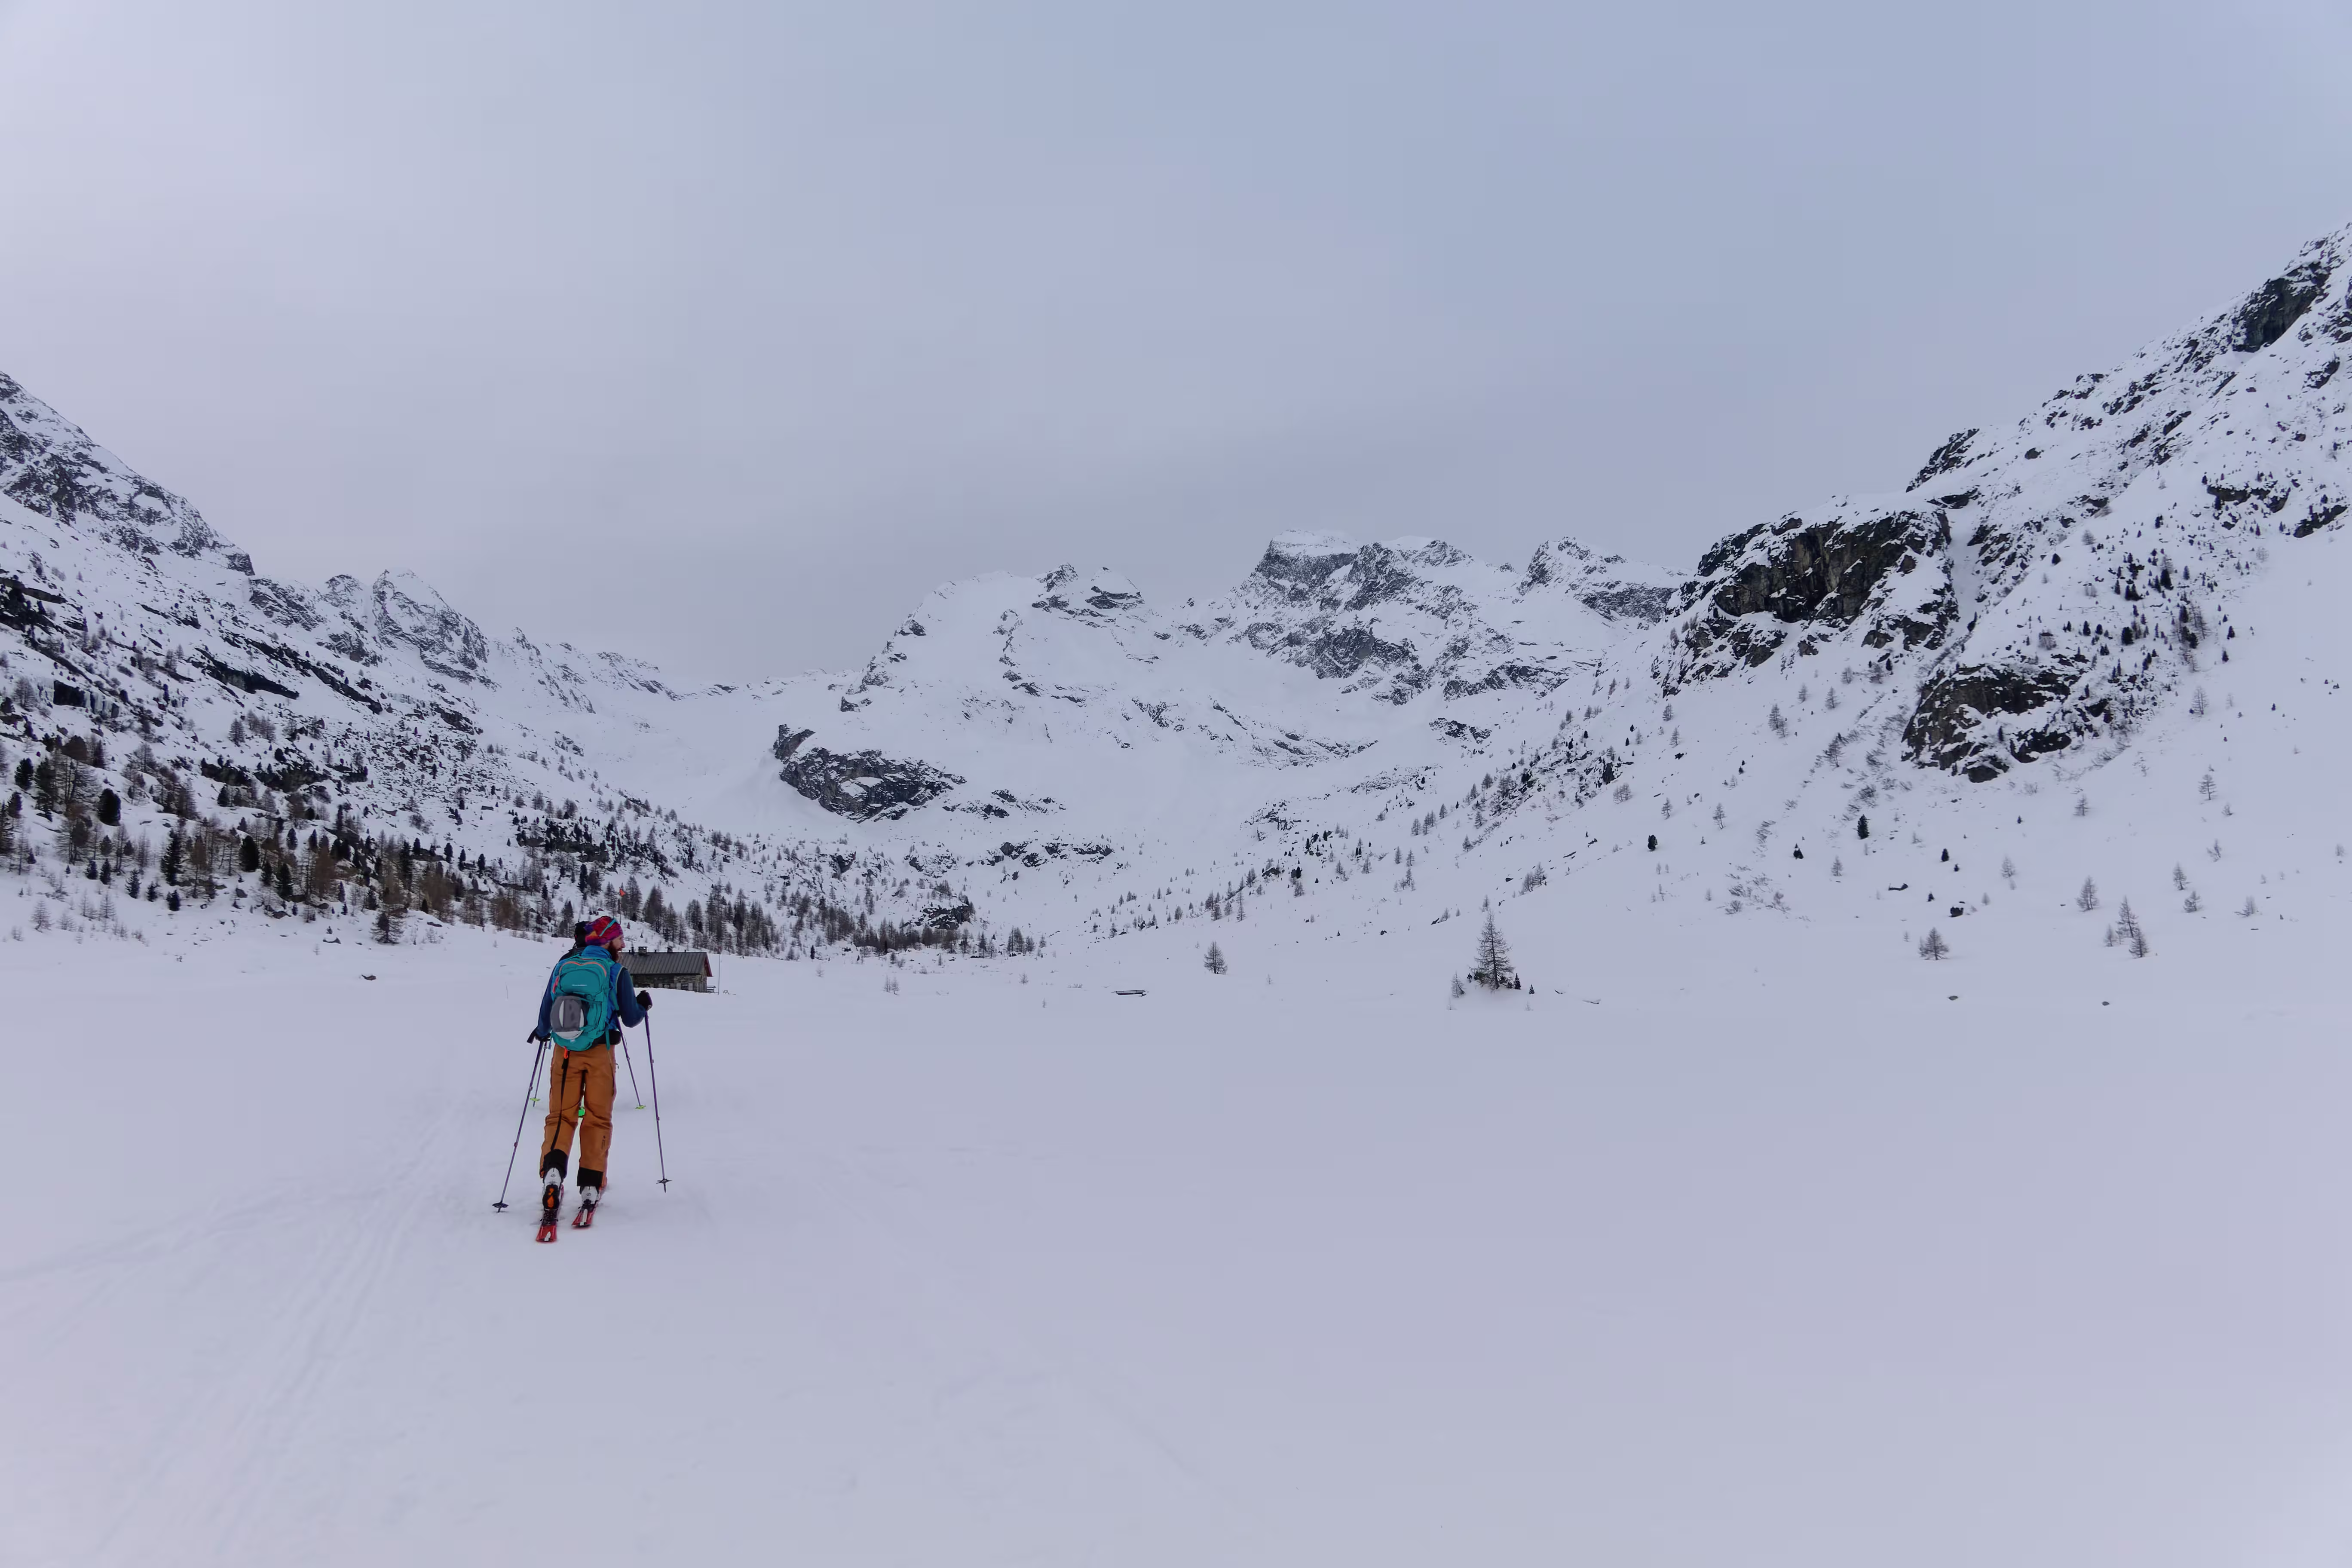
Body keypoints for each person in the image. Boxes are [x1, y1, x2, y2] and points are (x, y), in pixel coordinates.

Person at [529, 914, 650, 1216]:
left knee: (560, 1116)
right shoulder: (616, 971)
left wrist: (543, 1032)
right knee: (597, 1118)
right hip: (601, 1053)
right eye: (620, 938)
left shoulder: (564, 966)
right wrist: (643, 1006)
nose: (623, 944)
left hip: (565, 1052)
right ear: (607, 941)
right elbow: (632, 1019)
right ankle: (591, 1185)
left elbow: (547, 1007)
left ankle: (553, 1174)